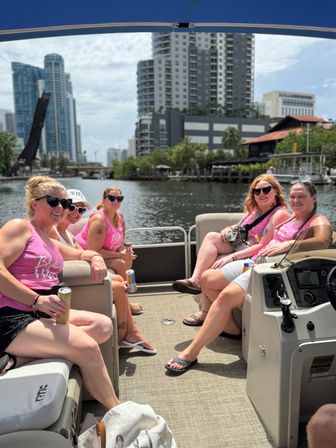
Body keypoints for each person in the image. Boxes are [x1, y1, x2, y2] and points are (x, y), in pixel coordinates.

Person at [165, 179, 331, 373]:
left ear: (314, 197)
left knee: (226, 296)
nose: (295, 200)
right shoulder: (289, 219)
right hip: (253, 262)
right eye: (293, 196)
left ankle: (191, 352)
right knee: (208, 279)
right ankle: (232, 329)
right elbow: (263, 241)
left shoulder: (317, 220)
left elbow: (323, 240)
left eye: (301, 196)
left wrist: (290, 245)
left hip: (269, 270)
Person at [0, 176, 119, 409]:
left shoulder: (49, 238)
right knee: (86, 347)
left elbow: (79, 253)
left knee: (103, 326)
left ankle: (16, 359)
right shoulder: (20, 227)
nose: (60, 208)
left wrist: (95, 257)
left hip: (47, 313)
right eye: (53, 201)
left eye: (64, 203)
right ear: (35, 203)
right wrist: (36, 300)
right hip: (13, 314)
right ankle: (118, 410)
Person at [50, 189, 156, 354]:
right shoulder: (53, 233)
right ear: (62, 207)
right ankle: (127, 334)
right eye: (71, 207)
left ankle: (128, 333)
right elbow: (71, 259)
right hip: (73, 286)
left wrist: (97, 258)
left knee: (120, 282)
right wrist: (100, 257)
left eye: (81, 210)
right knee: (120, 286)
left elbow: (85, 253)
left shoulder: (68, 235)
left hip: (81, 280)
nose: (76, 213)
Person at [172, 174, 289, 296]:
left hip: (251, 252)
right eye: (257, 191)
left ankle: (204, 308)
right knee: (211, 236)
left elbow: (262, 245)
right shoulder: (255, 210)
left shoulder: (279, 214)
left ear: (275, 191)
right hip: (239, 244)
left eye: (266, 189)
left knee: (216, 263)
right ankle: (195, 279)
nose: (261, 194)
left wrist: (232, 257)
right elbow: (240, 225)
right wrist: (228, 229)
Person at [76, 185, 136, 280]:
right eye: (111, 198)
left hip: (105, 255)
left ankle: (123, 289)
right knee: (120, 263)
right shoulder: (99, 220)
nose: (116, 201)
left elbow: (120, 244)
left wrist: (125, 254)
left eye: (119, 199)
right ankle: (124, 290)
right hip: (87, 254)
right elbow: (94, 251)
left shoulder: (120, 216)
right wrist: (120, 255)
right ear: (104, 200)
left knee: (128, 259)